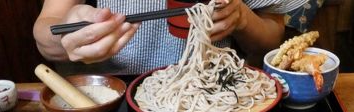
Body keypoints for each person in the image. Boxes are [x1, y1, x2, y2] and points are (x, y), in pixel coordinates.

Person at [33, 0, 310, 74]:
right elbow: (46, 33)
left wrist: (242, 19)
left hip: (219, 92)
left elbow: (273, 39)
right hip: (115, 103)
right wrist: (69, 35)